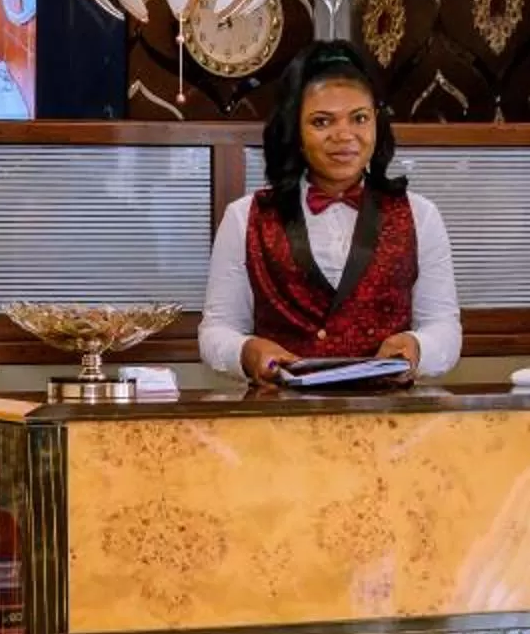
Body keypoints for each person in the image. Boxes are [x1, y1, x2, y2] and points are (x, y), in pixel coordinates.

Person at [196, 39, 461, 387]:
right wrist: (246, 352)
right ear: (295, 131)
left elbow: (444, 327)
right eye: (322, 122)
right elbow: (216, 330)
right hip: (280, 414)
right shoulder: (243, 217)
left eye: (359, 118)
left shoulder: (421, 215)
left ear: (377, 124)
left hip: (390, 414)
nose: (344, 135)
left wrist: (416, 346)